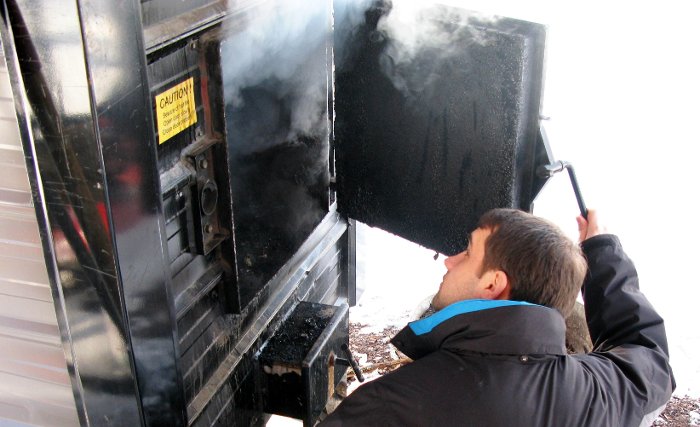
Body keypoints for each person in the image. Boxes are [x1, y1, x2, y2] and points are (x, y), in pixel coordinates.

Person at [321, 208, 675, 426]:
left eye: (468, 251)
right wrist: (601, 254)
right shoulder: (598, 393)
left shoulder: (392, 406)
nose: (449, 260)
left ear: (493, 283)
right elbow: (648, 354)